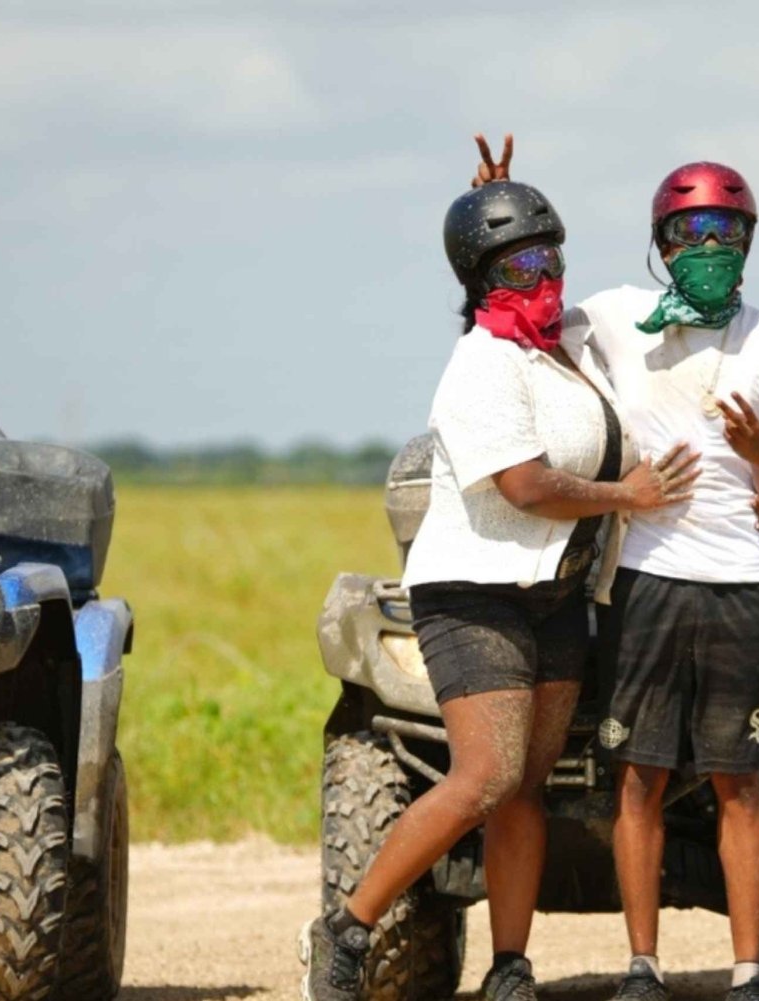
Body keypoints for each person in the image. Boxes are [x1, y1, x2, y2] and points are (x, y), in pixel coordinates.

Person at [300, 178, 701, 1001]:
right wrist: (628, 497)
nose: (539, 276)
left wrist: (497, 199)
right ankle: (346, 927)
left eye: (547, 256)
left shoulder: (569, 343)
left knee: (526, 786)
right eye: (516, 266)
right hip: (473, 593)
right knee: (484, 775)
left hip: (554, 596)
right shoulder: (480, 362)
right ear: (481, 281)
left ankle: (510, 965)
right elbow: (523, 484)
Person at [473, 139, 759, 1001]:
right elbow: (521, 309)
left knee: (738, 777)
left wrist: (753, 456)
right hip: (645, 580)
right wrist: (496, 216)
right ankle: (643, 967)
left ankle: (747, 972)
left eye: (725, 228)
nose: (708, 245)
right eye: (690, 229)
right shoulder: (621, 318)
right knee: (641, 775)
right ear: (662, 242)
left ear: (748, 239)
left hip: (741, 581)